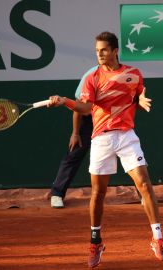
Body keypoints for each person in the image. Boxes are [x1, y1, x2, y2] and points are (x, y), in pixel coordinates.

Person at [48, 31, 163, 268]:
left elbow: (136, 93)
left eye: (103, 50)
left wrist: (140, 100)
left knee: (144, 183)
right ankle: (95, 242)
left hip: (126, 136)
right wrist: (65, 101)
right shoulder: (92, 78)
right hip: (101, 139)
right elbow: (85, 108)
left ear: (115, 50)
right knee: (98, 194)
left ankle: (158, 238)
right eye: (96, 51)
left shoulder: (133, 74)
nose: (100, 55)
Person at [50, 66, 97, 208]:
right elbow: (78, 106)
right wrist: (75, 133)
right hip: (88, 118)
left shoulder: (122, 75)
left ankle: (143, 194)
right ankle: (57, 193)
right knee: (75, 151)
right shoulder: (91, 76)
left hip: (111, 119)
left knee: (127, 153)